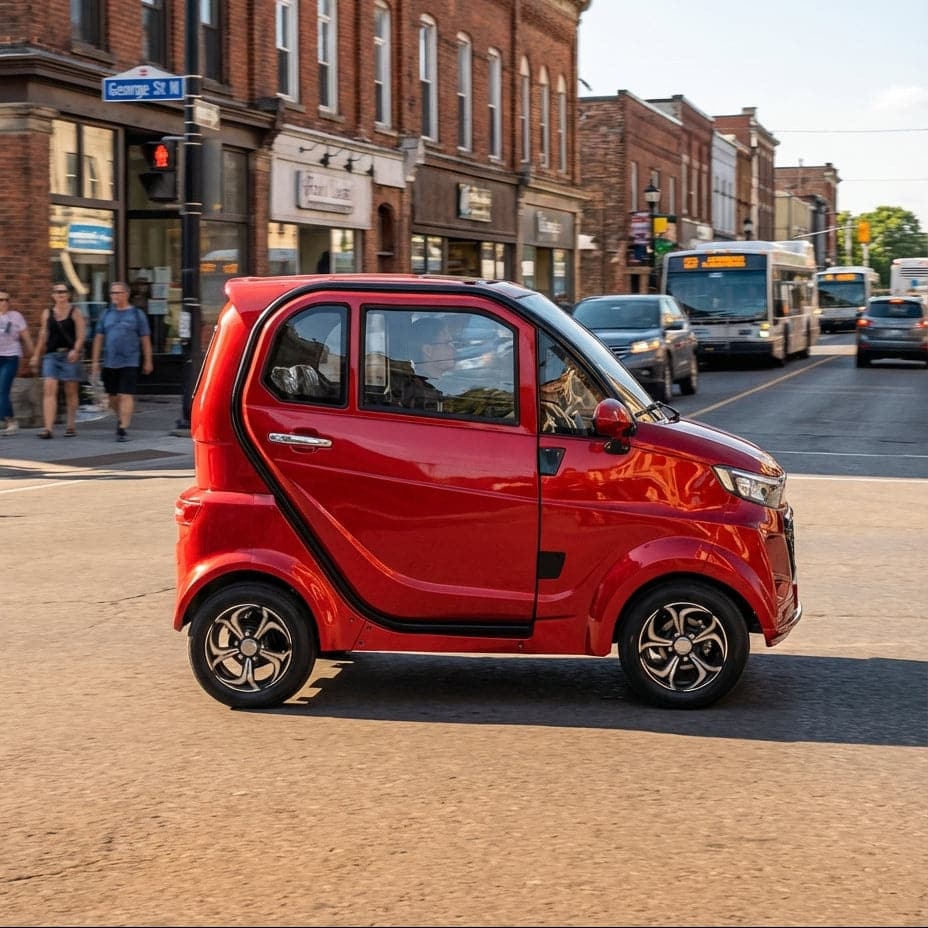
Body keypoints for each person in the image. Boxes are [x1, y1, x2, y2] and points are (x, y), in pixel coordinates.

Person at [90, 281, 153, 442]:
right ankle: (122, 417)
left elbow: (145, 339)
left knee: (126, 395)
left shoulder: (136, 314)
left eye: (118, 293)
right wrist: (95, 361)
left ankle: (123, 428)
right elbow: (98, 338)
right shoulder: (106, 314)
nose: (114, 296)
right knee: (112, 398)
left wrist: (148, 360)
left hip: (130, 361)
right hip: (110, 362)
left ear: (126, 294)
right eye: (112, 293)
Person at [29, 282, 87, 439]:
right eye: (57, 291)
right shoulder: (47, 313)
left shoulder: (75, 312)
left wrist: (76, 349)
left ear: (68, 294)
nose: (60, 294)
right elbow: (43, 335)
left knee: (71, 390)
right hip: (51, 355)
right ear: (53, 295)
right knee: (49, 387)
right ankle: (48, 428)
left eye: (63, 291)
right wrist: (36, 355)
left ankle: (71, 425)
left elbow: (81, 335)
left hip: (69, 354)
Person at [0, 287, 36, 435]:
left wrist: (34, 356)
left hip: (10, 357)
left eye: (6, 300)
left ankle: (11, 422)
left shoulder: (16, 317)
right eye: (0, 300)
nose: (3, 302)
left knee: (2, 390)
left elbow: (26, 337)